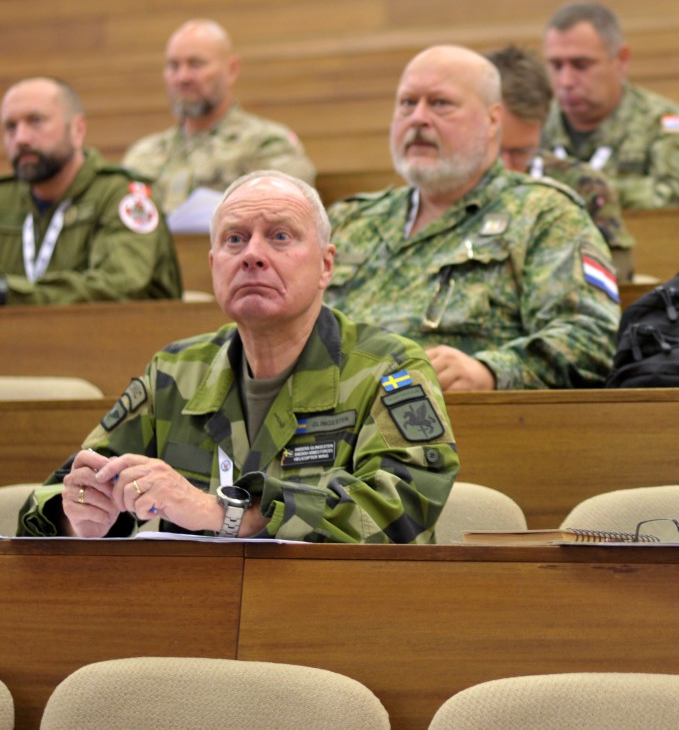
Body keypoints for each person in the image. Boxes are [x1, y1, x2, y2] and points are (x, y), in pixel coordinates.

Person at [18, 170, 458, 542]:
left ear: (326, 265)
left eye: (280, 236)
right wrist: (78, 518)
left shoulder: (389, 368)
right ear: (214, 266)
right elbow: (61, 492)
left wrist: (226, 514)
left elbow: (403, 509)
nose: (252, 255)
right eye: (235, 239)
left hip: (332, 608)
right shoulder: (175, 372)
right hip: (192, 607)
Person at [326, 45, 620, 392]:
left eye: (440, 104)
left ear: (493, 120)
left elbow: (591, 338)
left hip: (459, 418)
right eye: (407, 103)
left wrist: (491, 373)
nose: (418, 118)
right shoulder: (349, 220)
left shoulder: (544, 214)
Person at [1, 77, 182, 306]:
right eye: (10, 127)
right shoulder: (4, 197)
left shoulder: (123, 196)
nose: (21, 138)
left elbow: (117, 286)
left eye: (36, 121)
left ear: (77, 130)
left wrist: (9, 293)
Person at [123, 19, 316, 215]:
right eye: (174, 66)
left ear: (231, 70)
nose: (182, 77)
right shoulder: (142, 155)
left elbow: (287, 217)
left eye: (196, 64)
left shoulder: (268, 145)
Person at [540, 1, 679, 208]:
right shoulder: (534, 123)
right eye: (556, 66)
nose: (566, 81)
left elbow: (677, 200)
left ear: (621, 59)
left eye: (581, 65)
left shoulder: (666, 122)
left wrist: (586, 189)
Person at [487, 44, 636, 281]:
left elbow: (616, 276)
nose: (507, 167)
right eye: (495, 151)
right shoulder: (445, 188)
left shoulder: (582, 185)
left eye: (521, 152)